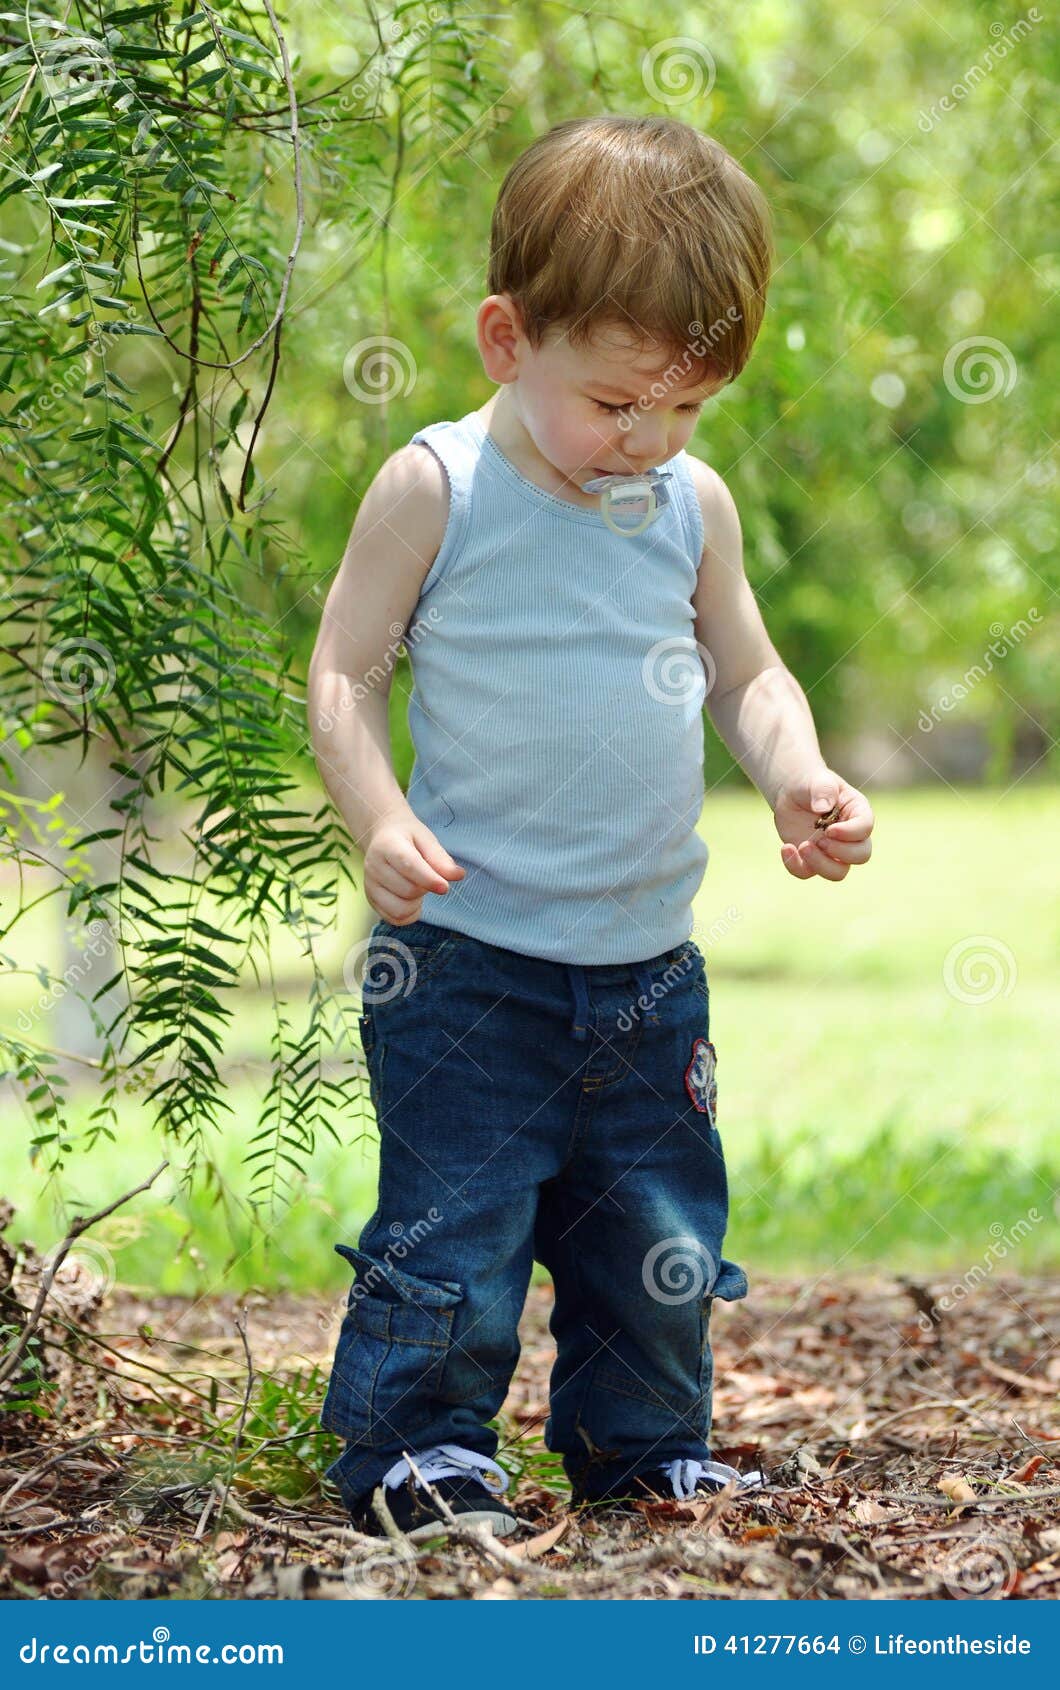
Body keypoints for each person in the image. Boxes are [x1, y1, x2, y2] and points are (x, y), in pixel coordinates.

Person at [310, 114, 875, 1542]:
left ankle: (642, 1447)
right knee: (457, 1226)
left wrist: (795, 772)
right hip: (467, 966)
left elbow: (748, 671)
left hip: (644, 967)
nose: (648, 441)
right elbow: (341, 675)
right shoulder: (439, 489)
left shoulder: (690, 506)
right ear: (509, 339)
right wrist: (375, 817)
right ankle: (416, 1448)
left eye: (684, 411)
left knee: (658, 1234)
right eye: (618, 404)